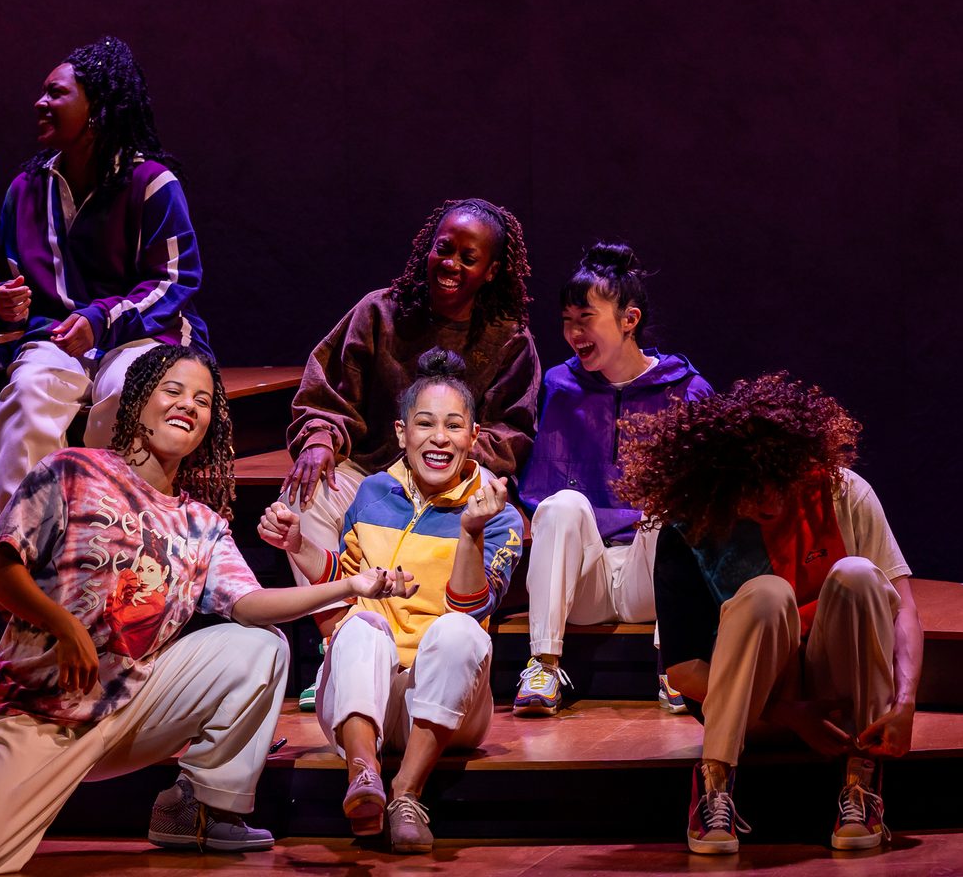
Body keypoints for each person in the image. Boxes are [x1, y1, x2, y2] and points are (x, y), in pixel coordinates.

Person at [0, 345, 414, 873]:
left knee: (258, 645)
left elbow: (253, 606)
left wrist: (349, 586)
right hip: (40, 709)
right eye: (172, 391)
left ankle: (201, 811)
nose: (188, 406)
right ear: (138, 405)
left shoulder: (202, 523)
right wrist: (63, 624)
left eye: (203, 400)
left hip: (127, 709)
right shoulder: (73, 470)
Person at [615, 374, 922, 855]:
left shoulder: (844, 492)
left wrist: (904, 703)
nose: (770, 501)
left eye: (780, 483)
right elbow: (683, 670)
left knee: (860, 574)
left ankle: (862, 784)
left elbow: (903, 609)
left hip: (835, 695)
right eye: (752, 487)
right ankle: (714, 785)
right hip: (750, 702)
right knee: (766, 593)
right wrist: (783, 712)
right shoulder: (690, 528)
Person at [261, 349, 525, 854]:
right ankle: (363, 776)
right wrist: (298, 545)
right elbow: (347, 580)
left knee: (459, 631)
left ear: (473, 436)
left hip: (448, 704)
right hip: (367, 693)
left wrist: (471, 531)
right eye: (425, 424)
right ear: (402, 434)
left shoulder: (496, 514)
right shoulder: (373, 493)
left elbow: (472, 609)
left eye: (453, 426)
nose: (439, 437)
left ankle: (406, 793)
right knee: (360, 627)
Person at [282, 199, 539, 700]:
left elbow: (511, 430)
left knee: (486, 497)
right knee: (304, 492)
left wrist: (449, 458)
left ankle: (438, 644)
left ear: (491, 271)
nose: (451, 264)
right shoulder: (379, 312)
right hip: (371, 474)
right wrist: (318, 438)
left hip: (451, 478)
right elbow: (327, 392)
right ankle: (340, 645)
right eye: (445, 249)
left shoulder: (509, 340)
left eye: (469, 258)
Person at [0, 36, 207, 511]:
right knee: (26, 396)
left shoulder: (151, 183)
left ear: (97, 109)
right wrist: (1, 304)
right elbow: (7, 282)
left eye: (56, 93)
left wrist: (101, 318)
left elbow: (174, 281)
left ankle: (110, 537)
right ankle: (29, 542)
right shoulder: (25, 190)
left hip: (143, 336)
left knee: (129, 391)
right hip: (56, 340)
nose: (40, 102)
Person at [513, 243, 712, 715]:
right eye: (566, 320)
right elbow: (540, 491)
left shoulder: (686, 390)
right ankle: (543, 666)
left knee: (672, 504)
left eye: (585, 318)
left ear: (629, 319)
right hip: (587, 577)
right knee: (561, 505)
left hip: (652, 580)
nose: (573, 332)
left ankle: (677, 666)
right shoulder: (560, 386)